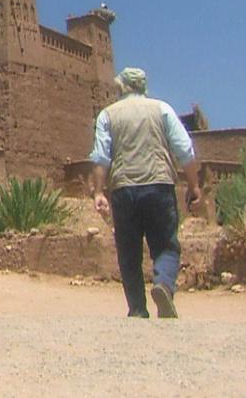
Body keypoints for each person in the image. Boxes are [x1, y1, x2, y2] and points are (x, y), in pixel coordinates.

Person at [89, 67, 201, 319]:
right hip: (158, 186)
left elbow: (101, 157)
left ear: (120, 88)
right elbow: (185, 150)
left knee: (128, 251)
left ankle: (137, 308)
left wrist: (99, 191)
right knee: (166, 246)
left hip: (123, 190)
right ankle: (163, 285)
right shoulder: (162, 109)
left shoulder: (107, 115)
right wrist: (194, 185)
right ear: (143, 87)